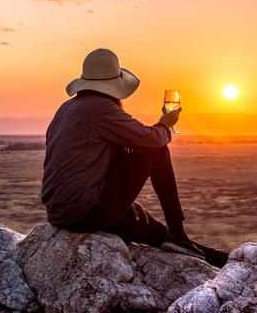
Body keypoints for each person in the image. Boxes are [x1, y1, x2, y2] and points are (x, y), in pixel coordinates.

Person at [41, 48, 228, 267]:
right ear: (114, 86)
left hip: (60, 213)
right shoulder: (100, 108)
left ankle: (213, 257)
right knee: (157, 150)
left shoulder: (67, 108)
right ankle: (177, 229)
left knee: (157, 235)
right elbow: (150, 140)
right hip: (85, 212)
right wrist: (165, 124)